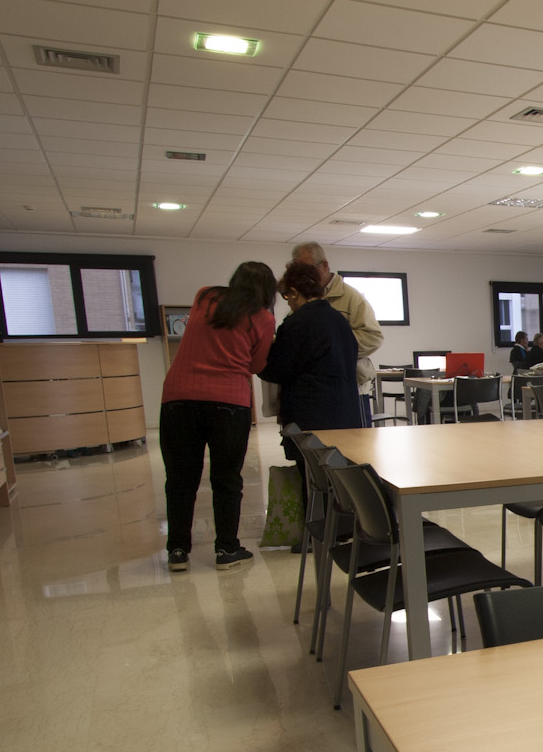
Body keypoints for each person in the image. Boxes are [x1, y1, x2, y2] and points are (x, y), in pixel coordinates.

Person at [159, 261, 276, 573]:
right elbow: (256, 365)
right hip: (228, 403)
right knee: (226, 478)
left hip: (178, 398)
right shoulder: (263, 318)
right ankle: (226, 549)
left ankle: (178, 551)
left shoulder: (205, 297)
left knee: (180, 479)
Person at [261, 261, 361, 465]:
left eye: (287, 296)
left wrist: (260, 354)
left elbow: (279, 369)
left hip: (311, 419)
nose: (288, 303)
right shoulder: (340, 321)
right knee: (339, 479)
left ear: (295, 292)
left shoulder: (296, 323)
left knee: (312, 481)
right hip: (346, 415)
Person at [291, 242, 383, 386]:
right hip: (314, 384)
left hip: (350, 384)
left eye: (309, 270)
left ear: (325, 265)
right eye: (300, 272)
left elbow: (373, 337)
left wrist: (329, 348)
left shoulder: (350, 297)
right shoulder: (301, 298)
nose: (305, 277)